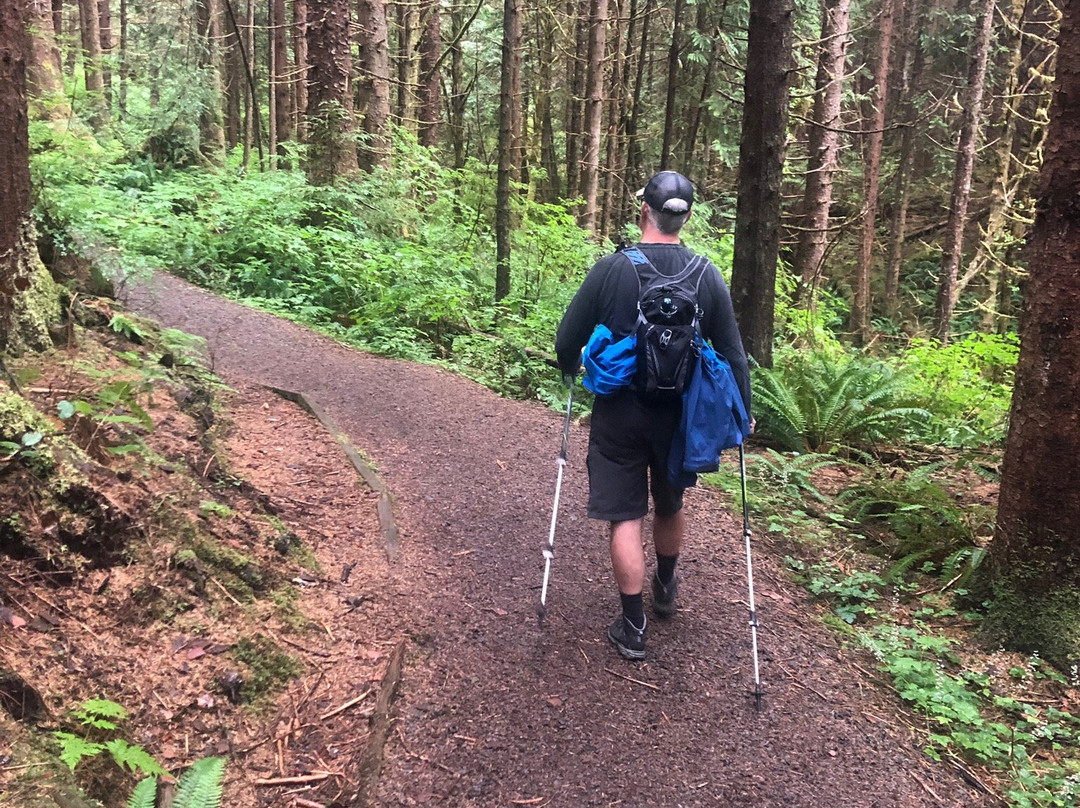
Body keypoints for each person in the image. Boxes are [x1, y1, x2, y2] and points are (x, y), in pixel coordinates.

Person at [554, 170, 753, 660]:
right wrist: (743, 413)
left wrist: (571, 368)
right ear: (685, 217)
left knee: (624, 515)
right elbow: (733, 353)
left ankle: (633, 625)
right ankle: (664, 587)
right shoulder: (707, 274)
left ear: (645, 209)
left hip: (620, 411)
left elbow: (566, 340)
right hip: (680, 416)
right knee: (670, 502)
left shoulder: (611, 268)